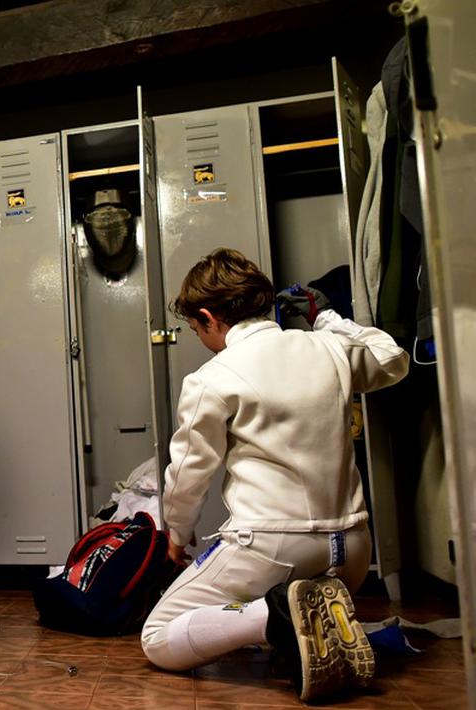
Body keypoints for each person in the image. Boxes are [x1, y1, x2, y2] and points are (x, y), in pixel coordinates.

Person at [140, 249, 409, 702]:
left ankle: (277, 613)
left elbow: (189, 473)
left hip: (270, 549)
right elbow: (392, 357)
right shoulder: (329, 348)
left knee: (160, 636)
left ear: (208, 317)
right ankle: (299, 618)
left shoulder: (214, 375)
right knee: (249, 610)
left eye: (195, 328)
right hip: (352, 550)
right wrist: (327, 320)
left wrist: (176, 534)